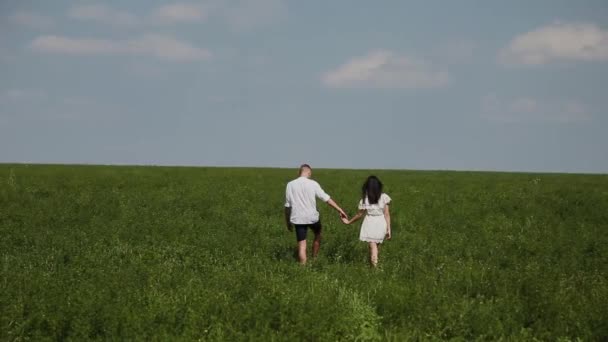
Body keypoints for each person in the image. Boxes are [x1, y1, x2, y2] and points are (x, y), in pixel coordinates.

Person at [284, 164, 348, 264]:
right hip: (312, 218)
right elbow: (326, 199)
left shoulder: (290, 185)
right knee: (318, 234)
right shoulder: (313, 184)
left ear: (300, 172)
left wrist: (287, 222)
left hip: (298, 218)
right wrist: (339, 209)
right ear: (308, 172)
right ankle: (314, 258)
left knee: (302, 244)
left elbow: (287, 206)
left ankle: (303, 267)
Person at [341, 175, 391, 267]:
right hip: (381, 222)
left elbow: (359, 215)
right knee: (375, 246)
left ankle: (375, 270)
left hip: (370, 223)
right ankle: (373, 267)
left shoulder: (365, 199)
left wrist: (348, 222)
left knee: (373, 246)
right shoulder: (384, 197)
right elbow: (386, 214)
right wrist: (389, 229)